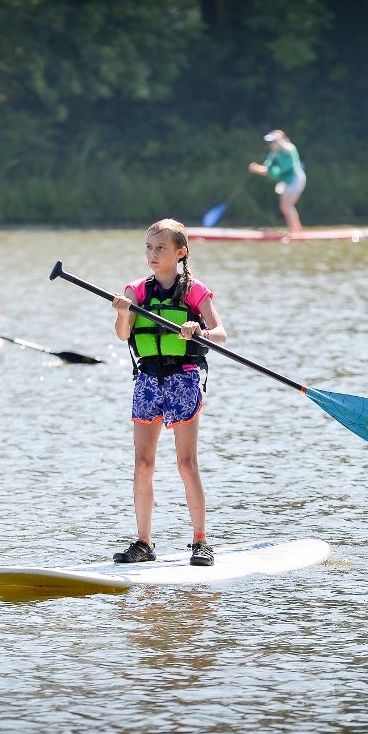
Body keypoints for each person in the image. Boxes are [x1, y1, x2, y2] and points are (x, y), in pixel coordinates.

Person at [110, 219, 226, 567]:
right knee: (143, 464)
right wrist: (121, 313)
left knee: (186, 463)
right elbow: (121, 335)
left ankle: (200, 541)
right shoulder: (136, 290)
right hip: (148, 380)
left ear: (180, 252)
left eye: (161, 248)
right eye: (149, 247)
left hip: (183, 378)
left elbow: (220, 334)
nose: (153, 254)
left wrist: (199, 329)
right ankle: (144, 542)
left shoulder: (194, 291)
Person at [248, 129, 306, 234]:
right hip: (286, 182)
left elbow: (288, 150)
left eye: (273, 141)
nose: (271, 144)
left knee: (288, 205)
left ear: (280, 140)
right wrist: (256, 168)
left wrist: (279, 139)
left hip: (296, 179)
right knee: (284, 207)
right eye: (270, 142)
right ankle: (295, 230)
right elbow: (267, 170)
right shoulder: (273, 154)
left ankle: (296, 231)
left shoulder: (289, 147)